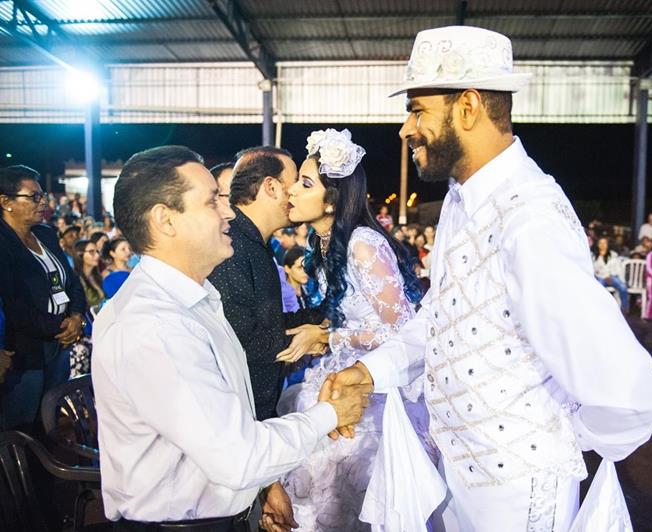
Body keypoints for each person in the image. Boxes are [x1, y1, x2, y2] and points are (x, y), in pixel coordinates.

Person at [321, 26, 652, 531]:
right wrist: (372, 371)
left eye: (417, 110)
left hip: (517, 495)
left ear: (468, 107)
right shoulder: (462, 201)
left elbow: (629, 396)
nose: (405, 129)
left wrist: (562, 435)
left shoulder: (530, 219)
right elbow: (441, 318)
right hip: (456, 477)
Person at [91, 145, 370, 530]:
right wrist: (331, 414)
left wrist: (263, 488)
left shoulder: (196, 298)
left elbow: (228, 421)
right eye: (212, 202)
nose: (229, 212)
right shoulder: (155, 325)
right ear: (165, 220)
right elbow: (239, 457)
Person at [278, 128, 431, 531]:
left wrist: (329, 338)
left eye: (305, 183)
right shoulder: (324, 242)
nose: (292, 190)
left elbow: (405, 333)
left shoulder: (363, 243)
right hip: (337, 379)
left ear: (332, 200)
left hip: (371, 394)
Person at [208, 146, 326, 421]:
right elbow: (242, 340)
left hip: (258, 406)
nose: (296, 192)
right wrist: (314, 338)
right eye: (294, 182)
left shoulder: (256, 243)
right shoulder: (231, 245)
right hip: (238, 415)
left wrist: (326, 315)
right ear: (271, 187)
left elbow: (268, 323)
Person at [0, 165, 86, 430]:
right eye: (33, 196)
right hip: (25, 351)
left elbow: (72, 281)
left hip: (59, 343)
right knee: (25, 425)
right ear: (6, 202)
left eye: (42, 195)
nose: (43, 202)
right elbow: (14, 305)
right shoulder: (3, 243)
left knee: (52, 422)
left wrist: (77, 316)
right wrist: (62, 326)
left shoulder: (46, 234)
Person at [592, 236, 629, 310]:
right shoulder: (594, 256)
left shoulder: (613, 255)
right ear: (597, 244)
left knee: (623, 288)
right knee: (598, 289)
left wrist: (612, 277)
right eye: (600, 243)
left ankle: (623, 309)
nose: (602, 245)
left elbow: (618, 269)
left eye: (604, 243)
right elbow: (593, 270)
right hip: (600, 277)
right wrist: (603, 276)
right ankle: (599, 309)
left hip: (612, 277)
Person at [73, 239, 105, 309]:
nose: (97, 255)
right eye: (91, 252)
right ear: (80, 255)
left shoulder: (97, 276)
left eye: (97, 251)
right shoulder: (75, 279)